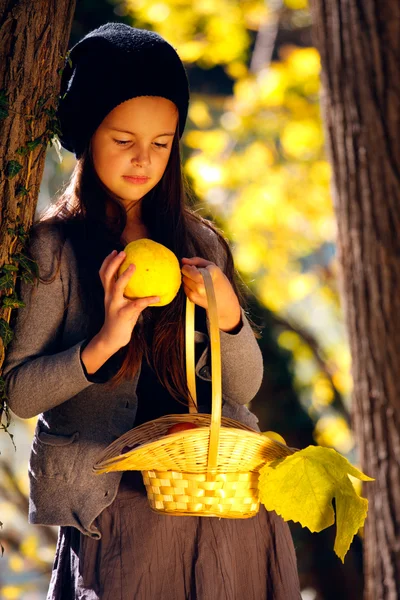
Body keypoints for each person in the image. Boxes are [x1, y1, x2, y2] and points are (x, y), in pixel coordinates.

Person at [2, 22, 301, 600]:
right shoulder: (55, 251)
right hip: (120, 521)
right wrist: (107, 339)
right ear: (88, 136)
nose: (143, 159)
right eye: (124, 141)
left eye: (161, 143)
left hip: (225, 507)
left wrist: (230, 318)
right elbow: (20, 394)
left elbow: (242, 386)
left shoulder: (201, 245)